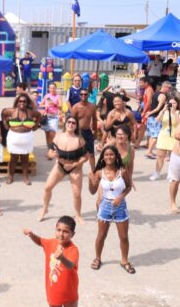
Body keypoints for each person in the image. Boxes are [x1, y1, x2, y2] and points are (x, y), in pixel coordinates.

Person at [22, 216, 80, 307]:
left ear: (72, 234)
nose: (61, 234)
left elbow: (71, 265)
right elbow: (40, 241)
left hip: (70, 293)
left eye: (66, 231)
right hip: (54, 291)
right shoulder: (51, 243)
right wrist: (31, 234)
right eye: (58, 230)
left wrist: (62, 258)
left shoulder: (73, 250)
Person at [88, 145, 134, 274]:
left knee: (124, 237)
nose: (109, 157)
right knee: (101, 235)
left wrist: (121, 196)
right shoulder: (98, 172)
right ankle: (98, 258)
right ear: (102, 157)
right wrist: (90, 181)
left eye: (111, 154)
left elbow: (129, 186)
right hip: (105, 206)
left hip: (120, 206)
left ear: (116, 156)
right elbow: (92, 191)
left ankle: (124, 260)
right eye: (106, 155)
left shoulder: (123, 171)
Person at [39, 116, 90, 223]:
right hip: (60, 166)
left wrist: (75, 164)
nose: (71, 124)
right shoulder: (58, 137)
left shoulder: (79, 140)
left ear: (76, 126)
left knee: (77, 194)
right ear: (65, 124)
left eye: (73, 123)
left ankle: (78, 215)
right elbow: (49, 152)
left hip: (75, 168)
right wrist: (52, 155)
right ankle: (45, 209)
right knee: (47, 188)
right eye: (69, 122)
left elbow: (86, 156)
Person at [2, 93, 41, 185]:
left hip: (27, 138)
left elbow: (39, 115)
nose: (22, 103)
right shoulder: (11, 111)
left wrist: (36, 125)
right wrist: (5, 124)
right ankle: (10, 176)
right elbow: (3, 113)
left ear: (27, 103)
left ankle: (25, 177)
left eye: (24, 101)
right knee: (13, 158)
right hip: (14, 138)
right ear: (17, 102)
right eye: (20, 101)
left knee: (25, 158)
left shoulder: (31, 112)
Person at [150, 96, 180, 181]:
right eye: (170, 103)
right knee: (160, 156)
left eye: (174, 103)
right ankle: (157, 173)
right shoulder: (164, 112)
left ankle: (171, 174)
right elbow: (157, 120)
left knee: (173, 157)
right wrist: (163, 110)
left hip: (174, 137)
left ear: (177, 104)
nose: (172, 105)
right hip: (163, 136)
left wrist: (174, 113)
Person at [69, 88, 97, 172]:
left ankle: (93, 171)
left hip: (88, 132)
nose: (83, 96)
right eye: (82, 94)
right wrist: (70, 134)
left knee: (91, 154)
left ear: (88, 95)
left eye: (85, 94)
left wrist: (94, 131)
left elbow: (94, 119)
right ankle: (76, 170)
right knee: (78, 154)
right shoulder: (76, 107)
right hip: (78, 132)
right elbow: (71, 121)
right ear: (79, 95)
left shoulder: (92, 106)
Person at [144, 81, 171, 160]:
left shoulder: (156, 93)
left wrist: (149, 113)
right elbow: (158, 108)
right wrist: (149, 113)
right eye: (169, 88)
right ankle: (149, 151)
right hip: (156, 117)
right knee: (155, 136)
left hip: (152, 117)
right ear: (165, 87)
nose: (169, 89)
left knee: (152, 135)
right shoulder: (162, 96)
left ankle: (150, 151)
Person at [40, 82, 62, 155]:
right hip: (47, 116)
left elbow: (61, 106)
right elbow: (41, 104)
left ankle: (51, 149)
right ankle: (49, 150)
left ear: (56, 88)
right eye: (51, 88)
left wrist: (54, 104)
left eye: (53, 88)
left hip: (54, 117)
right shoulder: (47, 96)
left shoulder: (58, 96)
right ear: (49, 89)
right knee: (47, 135)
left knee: (52, 134)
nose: (52, 89)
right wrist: (46, 105)